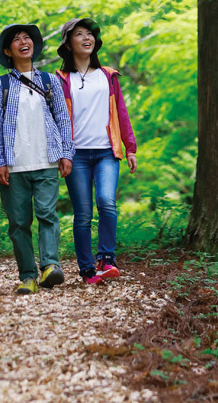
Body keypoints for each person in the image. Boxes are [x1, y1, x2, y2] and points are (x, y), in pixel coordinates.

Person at [0, 23, 74, 295]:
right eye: (17, 39)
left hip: (47, 161)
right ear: (7, 51)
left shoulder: (50, 81)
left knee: (48, 215)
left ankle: (50, 266)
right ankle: (27, 276)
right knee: (19, 223)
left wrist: (66, 153)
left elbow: (63, 118)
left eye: (27, 38)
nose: (24, 41)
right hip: (14, 166)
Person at [56, 17, 137, 285]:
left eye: (90, 34)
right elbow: (55, 119)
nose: (86, 38)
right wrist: (61, 154)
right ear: (68, 43)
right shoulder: (60, 79)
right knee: (82, 214)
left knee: (107, 202)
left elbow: (121, 113)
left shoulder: (108, 76)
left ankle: (106, 259)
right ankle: (87, 269)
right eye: (79, 34)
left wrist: (130, 148)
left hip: (106, 151)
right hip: (76, 154)